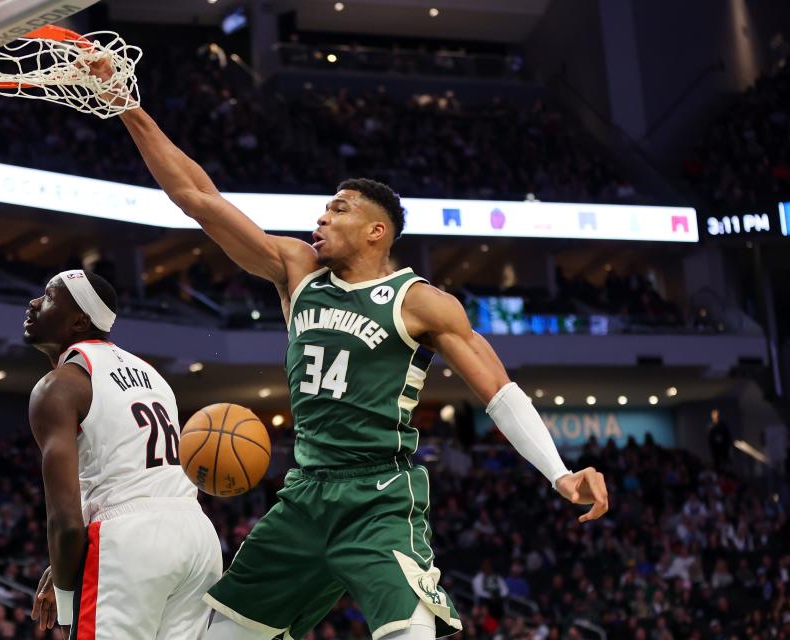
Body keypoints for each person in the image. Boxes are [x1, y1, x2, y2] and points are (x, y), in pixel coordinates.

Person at [98, 65, 608, 640]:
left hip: (379, 495)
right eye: (323, 208)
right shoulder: (296, 270)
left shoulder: (421, 302)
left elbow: (498, 390)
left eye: (339, 208)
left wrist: (560, 473)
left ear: (377, 233)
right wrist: (127, 108)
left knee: (409, 633)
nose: (322, 216)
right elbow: (198, 198)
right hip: (304, 495)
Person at [23, 270, 222, 639]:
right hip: (198, 537)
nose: (34, 303)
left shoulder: (58, 387)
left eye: (48, 297)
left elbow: (64, 522)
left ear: (79, 321)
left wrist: (68, 604)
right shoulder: (152, 374)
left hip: (130, 540)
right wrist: (62, 565)